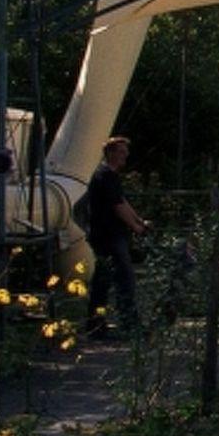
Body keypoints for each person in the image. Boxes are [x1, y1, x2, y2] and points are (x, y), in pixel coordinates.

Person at [84, 136, 149, 336]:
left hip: (109, 235)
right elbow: (117, 207)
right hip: (108, 235)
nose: (125, 156)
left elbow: (122, 201)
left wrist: (139, 220)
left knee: (103, 281)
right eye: (121, 152)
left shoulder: (110, 176)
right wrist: (136, 228)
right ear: (110, 153)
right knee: (124, 279)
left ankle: (95, 324)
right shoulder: (104, 176)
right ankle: (129, 324)